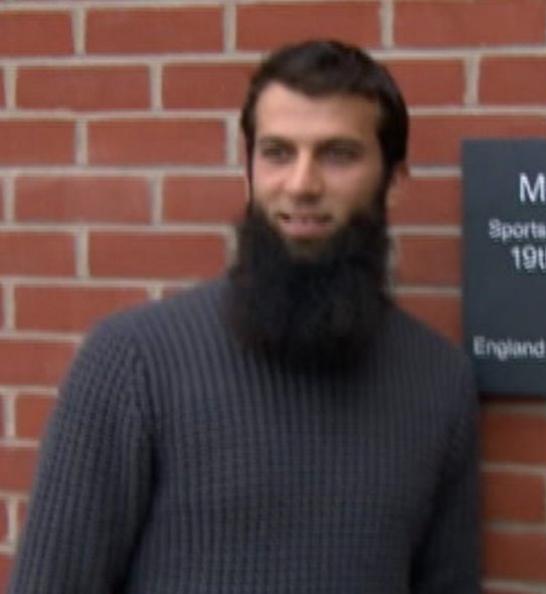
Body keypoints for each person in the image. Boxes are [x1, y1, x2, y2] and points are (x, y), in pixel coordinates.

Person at [9, 40, 480, 594]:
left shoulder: (438, 382)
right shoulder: (132, 363)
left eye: (337, 154)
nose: (302, 185)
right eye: (278, 153)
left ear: (394, 181)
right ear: (249, 171)